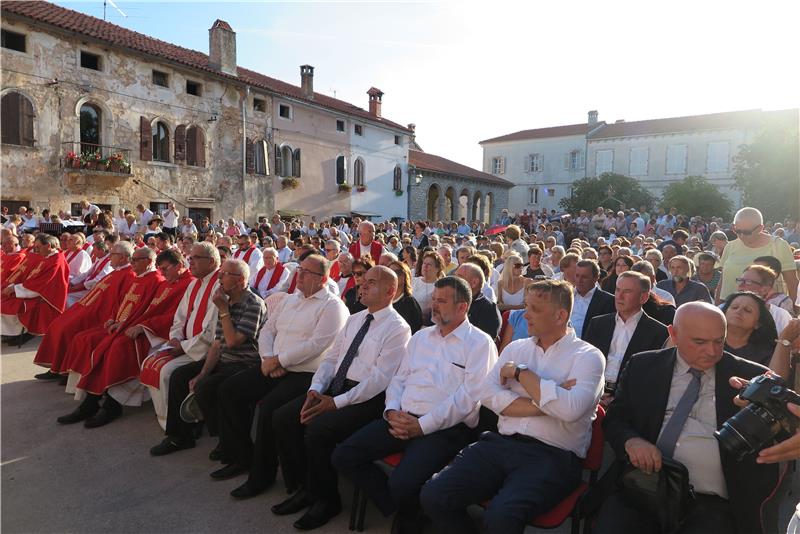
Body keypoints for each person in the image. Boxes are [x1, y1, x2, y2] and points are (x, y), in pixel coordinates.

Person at [421, 279, 604, 534]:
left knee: (501, 516)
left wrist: (521, 374)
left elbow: (572, 411)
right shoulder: (517, 347)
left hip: (553, 456)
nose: (524, 314)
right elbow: (486, 394)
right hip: (500, 443)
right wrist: (553, 396)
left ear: (561, 315)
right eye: (526, 306)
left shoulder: (588, 357)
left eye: (535, 309)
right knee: (434, 494)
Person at [593, 302, 781, 534]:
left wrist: (771, 403)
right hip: (644, 488)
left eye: (719, 341)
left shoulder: (749, 377)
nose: (712, 351)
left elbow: (785, 432)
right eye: (700, 342)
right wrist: (631, 441)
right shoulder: (644, 366)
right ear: (673, 334)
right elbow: (615, 419)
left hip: (712, 503)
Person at [332, 276, 497, 534]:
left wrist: (421, 426)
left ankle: (409, 512)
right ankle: (405, 509)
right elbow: (399, 378)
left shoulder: (479, 343)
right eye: (433, 299)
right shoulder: (421, 336)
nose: (434, 306)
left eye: (441, 301)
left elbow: (468, 399)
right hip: (401, 418)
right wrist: (392, 411)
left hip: (445, 429)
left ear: (462, 307)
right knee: (344, 455)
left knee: (401, 482)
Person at [269, 266, 412, 529]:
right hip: (335, 387)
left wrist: (335, 402)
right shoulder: (355, 319)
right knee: (284, 418)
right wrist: (316, 389)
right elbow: (332, 358)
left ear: (391, 291)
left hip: (367, 398)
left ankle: (327, 500)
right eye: (363, 281)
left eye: (371, 282)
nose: (362, 286)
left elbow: (379, 379)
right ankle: (307, 487)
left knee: (319, 430)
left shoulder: (398, 328)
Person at [212, 254, 347, 491]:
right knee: (228, 390)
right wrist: (267, 359)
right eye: (300, 270)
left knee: (269, 409)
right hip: (273, 365)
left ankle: (262, 475)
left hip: (305, 374)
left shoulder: (332, 306)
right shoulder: (290, 300)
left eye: (307, 272)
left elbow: (317, 345)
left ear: (323, 279)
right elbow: (267, 331)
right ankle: (241, 456)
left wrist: (278, 360)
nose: (300, 275)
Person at [61, 249, 194, 428]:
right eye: (160, 269)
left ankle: (112, 405)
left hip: (162, 335)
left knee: (119, 348)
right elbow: (144, 309)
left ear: (179, 266)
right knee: (108, 345)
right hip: (145, 327)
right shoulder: (166, 282)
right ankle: (92, 401)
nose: (162, 274)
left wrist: (142, 327)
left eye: (165, 269)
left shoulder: (188, 284)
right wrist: (124, 323)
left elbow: (174, 317)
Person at [149, 259, 266, 456]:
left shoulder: (253, 303)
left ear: (240, 280)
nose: (219, 279)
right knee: (180, 376)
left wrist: (223, 311)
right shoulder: (227, 300)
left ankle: (227, 441)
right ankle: (180, 437)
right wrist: (202, 372)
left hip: (244, 363)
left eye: (224, 275)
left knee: (209, 388)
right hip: (225, 359)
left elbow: (232, 341)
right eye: (219, 275)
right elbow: (217, 343)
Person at [142, 242, 221, 431]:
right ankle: (168, 419)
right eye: (190, 257)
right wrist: (176, 337)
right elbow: (180, 317)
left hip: (204, 350)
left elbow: (212, 329)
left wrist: (183, 347)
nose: (189, 261)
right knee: (150, 362)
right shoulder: (195, 284)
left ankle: (184, 422)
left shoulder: (220, 285)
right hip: (185, 344)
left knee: (167, 372)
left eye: (195, 258)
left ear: (210, 262)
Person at [33, 241, 136, 380]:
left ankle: (65, 370)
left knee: (67, 329)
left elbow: (121, 301)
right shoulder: (116, 272)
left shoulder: (129, 275)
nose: (109, 257)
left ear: (123, 257)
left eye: (112, 254)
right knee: (57, 324)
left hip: (100, 313)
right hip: (87, 305)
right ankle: (55, 366)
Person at [584, 271, 669, 405]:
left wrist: (617, 399)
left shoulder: (658, 332)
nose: (619, 296)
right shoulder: (598, 324)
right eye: (617, 290)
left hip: (629, 403)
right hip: (591, 396)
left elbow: (652, 377)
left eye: (627, 291)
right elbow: (585, 362)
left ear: (644, 297)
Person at [718, 207, 798, 304]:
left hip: (767, 311)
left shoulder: (778, 246)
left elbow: (792, 283)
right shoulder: (730, 246)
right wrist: (717, 307)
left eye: (747, 232)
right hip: (730, 308)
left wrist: (792, 310)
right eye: (738, 231)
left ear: (760, 228)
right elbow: (722, 282)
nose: (742, 235)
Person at [1, 234, 69, 345]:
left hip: (46, 298)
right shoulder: (48, 257)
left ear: (48, 246)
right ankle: (13, 333)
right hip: (35, 291)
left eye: (38, 247)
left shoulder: (56, 261)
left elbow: (41, 285)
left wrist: (15, 289)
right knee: (4, 299)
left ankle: (20, 333)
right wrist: (14, 287)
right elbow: (34, 279)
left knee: (8, 303)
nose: (36, 250)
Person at [720, 292, 778, 367]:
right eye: (734, 307)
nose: (738, 311)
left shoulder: (765, 353)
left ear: (758, 323)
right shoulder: (709, 342)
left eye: (747, 310)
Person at [736, 264, 793, 334]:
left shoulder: (779, 315)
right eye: (740, 280)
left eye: (748, 282)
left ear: (765, 289)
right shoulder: (725, 309)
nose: (741, 285)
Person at [571, 259, 615, 339]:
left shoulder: (608, 301)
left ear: (596, 278)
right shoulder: (564, 296)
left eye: (584, 277)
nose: (579, 280)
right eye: (577, 276)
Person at [455, 262, 500, 339]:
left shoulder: (487, 307)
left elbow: (484, 340)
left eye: (459, 277)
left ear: (474, 283)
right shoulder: (452, 301)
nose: (454, 281)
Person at [387, 261, 423, 334]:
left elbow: (415, 329)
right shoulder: (382, 300)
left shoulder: (410, 303)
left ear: (404, 277)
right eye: (389, 272)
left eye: (396, 272)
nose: (392, 275)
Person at [412, 251, 444, 326]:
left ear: (437, 268)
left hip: (424, 324)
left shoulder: (439, 287)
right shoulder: (413, 280)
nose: (425, 266)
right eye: (424, 263)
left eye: (429, 264)